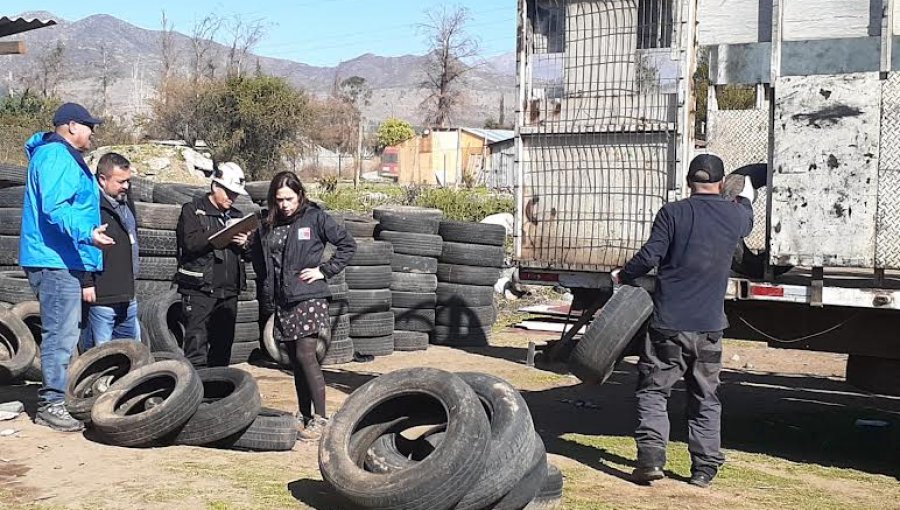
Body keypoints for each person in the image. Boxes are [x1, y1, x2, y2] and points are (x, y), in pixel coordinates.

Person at [612, 154, 754, 488]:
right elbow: (747, 213)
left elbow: (649, 257)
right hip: (709, 328)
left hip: (668, 325)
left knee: (653, 392)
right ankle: (703, 470)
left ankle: (651, 460)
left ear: (689, 182)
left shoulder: (672, 213)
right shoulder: (735, 216)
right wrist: (745, 196)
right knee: (705, 397)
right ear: (720, 184)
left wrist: (623, 275)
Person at [20, 102, 115, 432]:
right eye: (90, 126)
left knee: (66, 331)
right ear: (72, 126)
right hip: (53, 258)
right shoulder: (56, 156)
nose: (93, 132)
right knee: (60, 334)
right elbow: (54, 208)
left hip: (62, 257)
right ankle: (51, 404)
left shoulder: (62, 157)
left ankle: (56, 397)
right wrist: (87, 232)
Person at [254, 171, 355, 441]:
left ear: (300, 194)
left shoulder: (316, 217)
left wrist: (325, 270)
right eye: (279, 200)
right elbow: (262, 259)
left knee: (306, 355)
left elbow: (347, 245)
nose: (284, 205)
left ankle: (321, 417)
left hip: (309, 296)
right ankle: (304, 414)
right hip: (282, 298)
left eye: (289, 198)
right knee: (295, 361)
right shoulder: (268, 223)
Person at [175, 161, 251, 368]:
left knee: (223, 347)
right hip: (200, 289)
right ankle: (196, 394)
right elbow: (190, 243)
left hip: (228, 293)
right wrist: (221, 233)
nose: (232, 198)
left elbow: (252, 254)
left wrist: (245, 243)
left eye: (235, 194)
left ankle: (217, 395)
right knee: (196, 347)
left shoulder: (237, 216)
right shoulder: (193, 210)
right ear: (215, 186)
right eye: (228, 192)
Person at [82, 152, 141, 348]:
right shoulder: (90, 206)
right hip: (102, 297)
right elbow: (81, 246)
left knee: (133, 353)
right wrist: (87, 282)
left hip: (128, 296)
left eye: (128, 181)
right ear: (102, 179)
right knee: (101, 357)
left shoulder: (125, 201)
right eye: (120, 181)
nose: (126, 186)